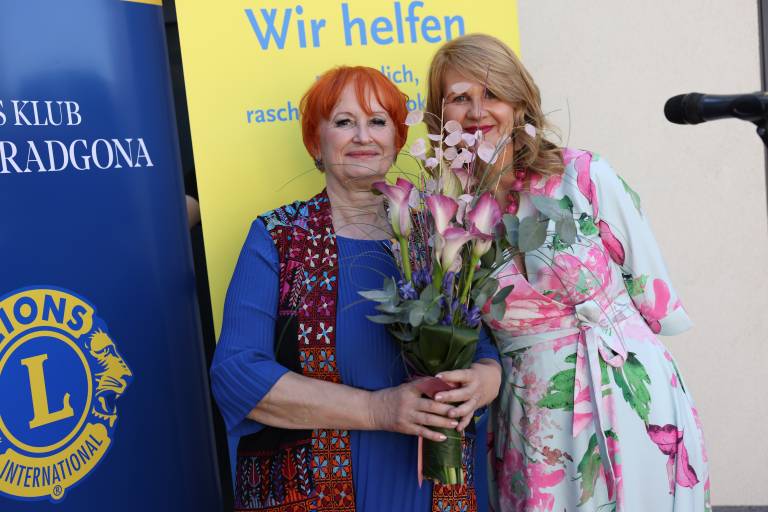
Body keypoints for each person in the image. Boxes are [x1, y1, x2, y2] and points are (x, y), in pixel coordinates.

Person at [425, 34, 710, 511]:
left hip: (633, 397)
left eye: (492, 94)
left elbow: (654, 299)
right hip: (533, 424)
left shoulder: (584, 175)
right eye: (459, 98)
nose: (477, 111)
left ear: (518, 102)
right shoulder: (445, 217)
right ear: (441, 115)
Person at [210, 66, 502, 512]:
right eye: (344, 122)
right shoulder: (278, 238)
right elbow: (237, 373)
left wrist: (483, 381)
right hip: (314, 496)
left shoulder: (438, 236)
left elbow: (479, 345)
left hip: (429, 491)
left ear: (397, 140)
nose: (363, 136)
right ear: (316, 143)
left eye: (378, 121)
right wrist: (377, 411)